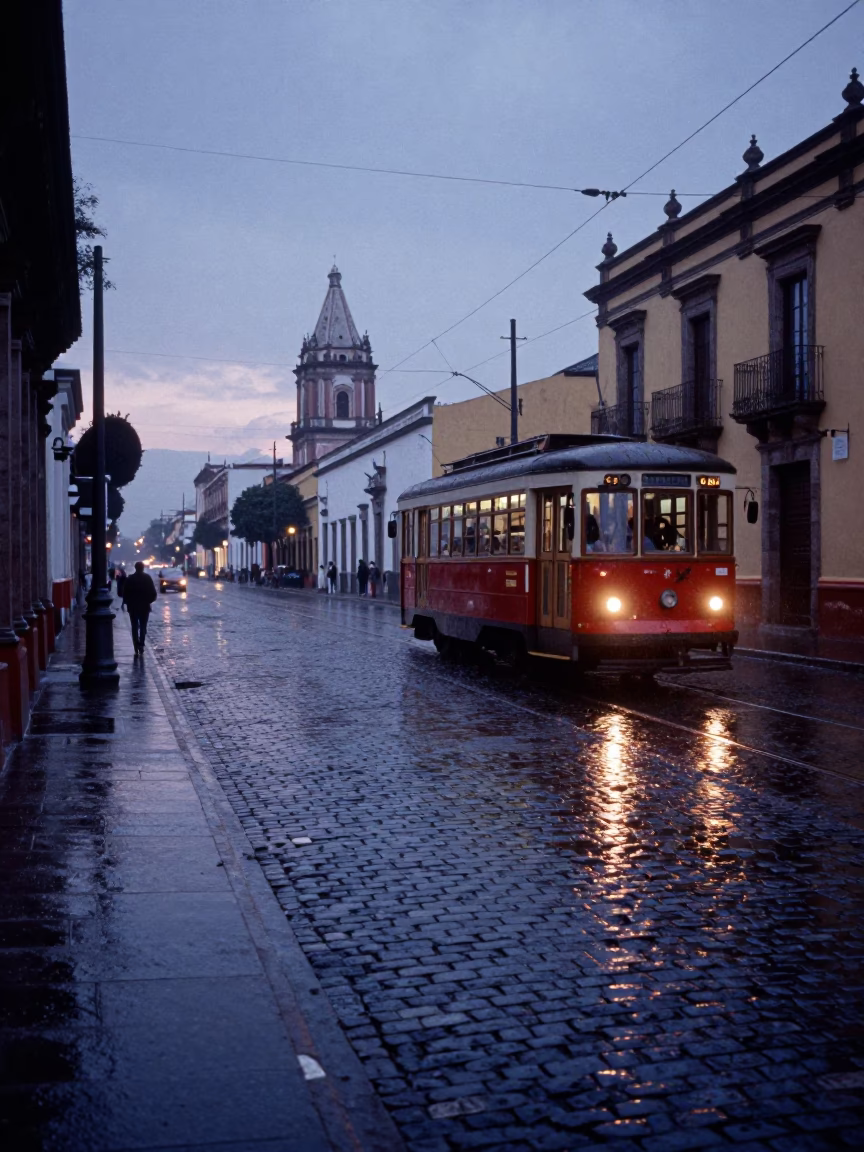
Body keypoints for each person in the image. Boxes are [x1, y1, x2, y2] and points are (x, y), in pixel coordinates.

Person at [122, 561, 157, 656]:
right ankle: (141, 644)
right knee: (143, 626)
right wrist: (148, 601)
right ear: (143, 568)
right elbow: (153, 593)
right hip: (144, 607)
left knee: (134, 626)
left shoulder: (130, 579)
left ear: (135, 568)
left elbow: (125, 593)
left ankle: (135, 645)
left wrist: (127, 602)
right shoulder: (147, 578)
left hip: (132, 606)